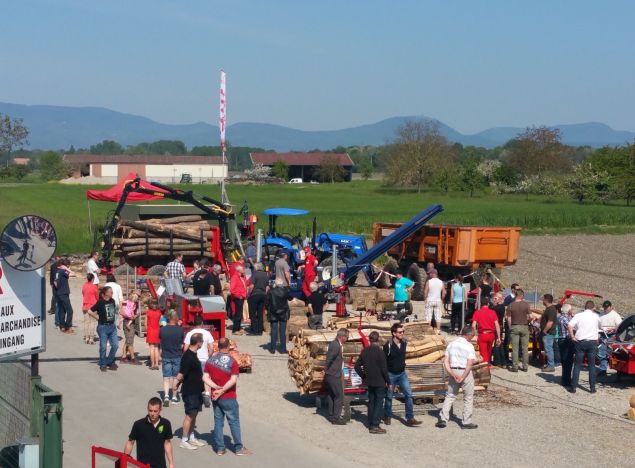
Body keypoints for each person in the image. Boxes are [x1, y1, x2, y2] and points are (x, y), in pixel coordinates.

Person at [203, 337, 250, 456]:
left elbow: (204, 377)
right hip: (229, 396)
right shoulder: (233, 362)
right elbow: (233, 380)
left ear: (218, 346)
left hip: (215, 396)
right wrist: (222, 390)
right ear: (229, 346)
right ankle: (239, 448)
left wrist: (215, 388)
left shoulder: (210, 360)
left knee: (218, 422)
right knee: (233, 421)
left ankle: (220, 448)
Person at [436, 325, 478, 429]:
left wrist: (452, 373)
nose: (472, 337)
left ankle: (443, 418)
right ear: (468, 335)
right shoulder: (469, 346)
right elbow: (469, 363)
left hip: (454, 369)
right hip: (465, 371)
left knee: (450, 395)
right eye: (472, 335)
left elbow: (445, 361)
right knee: (468, 397)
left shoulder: (451, 344)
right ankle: (466, 422)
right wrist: (463, 376)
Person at [383, 323, 421, 427]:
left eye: (403, 331)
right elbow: (384, 361)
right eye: (400, 332)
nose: (402, 333)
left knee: (408, 395)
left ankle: (410, 418)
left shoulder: (404, 342)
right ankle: (387, 415)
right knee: (389, 396)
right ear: (394, 333)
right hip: (391, 374)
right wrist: (386, 378)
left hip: (402, 374)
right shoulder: (388, 345)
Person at [175, 333, 206, 450]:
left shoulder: (193, 354)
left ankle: (192, 437)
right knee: (190, 415)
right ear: (198, 342)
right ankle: (184, 440)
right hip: (190, 391)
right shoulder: (188, 356)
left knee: (195, 415)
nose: (203, 343)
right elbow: (181, 374)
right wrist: (175, 385)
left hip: (197, 390)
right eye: (202, 341)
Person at [354, 331, 389, 434]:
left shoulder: (364, 351)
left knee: (371, 402)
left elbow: (356, 366)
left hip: (369, 381)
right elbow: (384, 369)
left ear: (369, 340)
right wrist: (389, 381)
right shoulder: (380, 352)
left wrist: (363, 376)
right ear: (378, 339)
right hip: (380, 381)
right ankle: (375, 425)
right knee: (378, 403)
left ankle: (370, 422)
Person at [124, 397, 174, 468]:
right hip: (143, 465)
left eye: (155, 411)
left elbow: (167, 443)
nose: (152, 414)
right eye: (150, 410)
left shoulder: (166, 424)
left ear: (160, 410)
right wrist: (125, 460)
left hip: (160, 465)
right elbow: (130, 443)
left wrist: (171, 463)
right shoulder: (138, 425)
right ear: (147, 408)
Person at [567, 301, 602, 393]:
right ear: (593, 307)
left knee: (577, 364)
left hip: (580, 341)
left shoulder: (578, 315)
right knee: (592, 365)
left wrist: (572, 336)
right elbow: (600, 328)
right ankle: (592, 388)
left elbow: (569, 325)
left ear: (585, 307)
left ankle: (573, 387)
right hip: (592, 342)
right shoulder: (596, 316)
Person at [184, 315, 215, 407]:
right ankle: (207, 394)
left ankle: (196, 395)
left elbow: (185, 348)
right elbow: (212, 348)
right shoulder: (207, 333)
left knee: (194, 378)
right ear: (202, 323)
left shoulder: (190, 334)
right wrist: (208, 356)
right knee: (206, 378)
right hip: (204, 359)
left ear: (194, 323)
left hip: (193, 359)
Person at [87, 286, 119, 372]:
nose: (112, 293)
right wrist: (97, 317)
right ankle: (103, 363)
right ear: (105, 293)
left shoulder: (112, 301)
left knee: (115, 345)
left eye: (112, 292)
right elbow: (89, 311)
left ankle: (110, 361)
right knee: (103, 347)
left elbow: (115, 311)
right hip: (103, 327)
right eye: (110, 292)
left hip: (112, 326)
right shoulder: (100, 302)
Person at [324, 328, 349, 425]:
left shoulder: (335, 344)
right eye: (346, 337)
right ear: (342, 336)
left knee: (332, 395)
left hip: (331, 374)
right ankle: (336, 418)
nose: (347, 339)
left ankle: (331, 415)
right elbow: (330, 358)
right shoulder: (336, 346)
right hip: (334, 374)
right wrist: (325, 369)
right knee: (339, 395)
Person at [160, 313, 184, 406]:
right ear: (176, 319)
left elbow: (161, 342)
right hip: (177, 355)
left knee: (166, 377)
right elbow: (182, 345)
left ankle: (166, 396)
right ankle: (174, 396)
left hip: (166, 355)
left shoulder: (162, 330)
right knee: (175, 377)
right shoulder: (180, 330)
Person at [507, 289, 531, 372]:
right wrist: (527, 321)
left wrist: (510, 328)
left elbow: (509, 319)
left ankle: (515, 367)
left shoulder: (510, 305)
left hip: (514, 326)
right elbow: (530, 316)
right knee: (525, 348)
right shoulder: (526, 304)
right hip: (524, 326)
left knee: (515, 348)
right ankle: (525, 367)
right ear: (522, 295)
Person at [471, 302, 501, 367]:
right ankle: (488, 364)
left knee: (483, 352)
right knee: (489, 351)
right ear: (488, 304)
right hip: (491, 334)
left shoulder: (477, 312)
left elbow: (473, 325)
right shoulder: (493, 312)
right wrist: (499, 337)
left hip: (482, 334)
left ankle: (485, 368)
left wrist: (475, 333)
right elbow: (497, 325)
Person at [598, 300, 622, 376]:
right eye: (604, 307)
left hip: (612, 336)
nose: (606, 309)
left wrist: (613, 329)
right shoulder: (601, 315)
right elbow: (598, 324)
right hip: (603, 335)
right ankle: (603, 370)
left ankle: (617, 369)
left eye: (607, 307)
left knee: (612, 353)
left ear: (611, 307)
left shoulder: (616, 315)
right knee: (602, 353)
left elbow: (620, 326)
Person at [266, 278, 291, 353]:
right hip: (283, 313)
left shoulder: (271, 291)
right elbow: (290, 298)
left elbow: (266, 302)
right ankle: (282, 349)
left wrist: (268, 309)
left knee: (273, 330)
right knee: (282, 331)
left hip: (273, 313)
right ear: (282, 283)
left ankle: (273, 349)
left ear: (275, 283)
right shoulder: (285, 291)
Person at [54, 258, 76, 334]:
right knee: (70, 311)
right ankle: (68, 327)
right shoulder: (63, 271)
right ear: (65, 265)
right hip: (64, 293)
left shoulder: (57, 272)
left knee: (62, 310)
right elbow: (73, 273)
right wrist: (67, 269)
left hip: (59, 292)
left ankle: (62, 326)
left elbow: (55, 283)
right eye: (68, 265)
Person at [247, 262, 268, 335]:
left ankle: (254, 330)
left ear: (257, 267)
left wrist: (248, 294)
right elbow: (267, 287)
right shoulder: (266, 274)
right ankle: (260, 330)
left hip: (255, 295)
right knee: (260, 313)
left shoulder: (255, 274)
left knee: (252, 313)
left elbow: (251, 286)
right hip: (263, 294)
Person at [557, 304, 575, 388]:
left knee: (565, 361)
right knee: (568, 361)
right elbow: (571, 327)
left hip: (561, 340)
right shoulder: (565, 319)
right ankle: (566, 380)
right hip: (566, 340)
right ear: (568, 310)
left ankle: (565, 378)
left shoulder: (560, 317)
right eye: (571, 309)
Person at [120, 292, 141, 364]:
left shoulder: (136, 303)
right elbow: (122, 312)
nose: (137, 298)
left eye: (138, 297)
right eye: (136, 296)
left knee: (128, 340)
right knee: (130, 341)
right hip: (127, 321)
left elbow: (137, 312)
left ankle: (123, 357)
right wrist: (130, 316)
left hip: (132, 322)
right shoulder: (125, 302)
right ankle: (133, 358)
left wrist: (136, 315)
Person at [423, 269, 446, 334]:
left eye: (430, 273)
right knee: (438, 316)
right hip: (438, 300)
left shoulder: (429, 282)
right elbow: (444, 292)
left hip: (430, 300)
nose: (429, 275)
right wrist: (442, 299)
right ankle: (438, 330)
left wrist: (425, 299)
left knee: (428, 316)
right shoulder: (441, 282)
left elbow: (425, 292)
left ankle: (428, 331)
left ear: (433, 273)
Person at [540, 294, 558, 372]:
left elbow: (550, 322)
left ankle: (551, 366)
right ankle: (549, 364)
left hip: (548, 333)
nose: (542, 301)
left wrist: (545, 330)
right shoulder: (549, 309)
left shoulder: (551, 309)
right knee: (548, 349)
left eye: (543, 299)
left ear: (546, 300)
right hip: (548, 332)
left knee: (549, 349)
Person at [229, 264, 249, 335]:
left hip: (242, 297)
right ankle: (235, 329)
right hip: (238, 298)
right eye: (243, 269)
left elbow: (246, 284)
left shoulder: (242, 277)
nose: (244, 270)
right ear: (239, 270)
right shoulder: (235, 277)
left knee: (240, 314)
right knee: (238, 314)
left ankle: (238, 327)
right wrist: (238, 296)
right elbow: (232, 289)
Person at [490, 292, 508, 367]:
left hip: (496, 326)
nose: (494, 299)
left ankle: (497, 361)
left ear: (500, 299)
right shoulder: (502, 306)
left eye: (495, 298)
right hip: (499, 326)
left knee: (497, 344)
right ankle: (503, 362)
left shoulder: (497, 308)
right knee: (499, 344)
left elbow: (490, 310)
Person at [81, 273, 99, 345]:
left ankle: (86, 337)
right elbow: (97, 296)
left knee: (86, 322)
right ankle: (91, 338)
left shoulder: (84, 286)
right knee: (92, 322)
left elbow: (83, 294)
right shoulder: (94, 287)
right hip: (93, 305)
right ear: (92, 279)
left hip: (85, 305)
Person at [146, 298, 163, 370]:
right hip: (157, 330)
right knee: (156, 348)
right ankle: (156, 364)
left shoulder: (148, 312)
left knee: (151, 348)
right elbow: (160, 323)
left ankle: (152, 364)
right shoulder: (159, 312)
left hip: (150, 330)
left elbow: (145, 323)